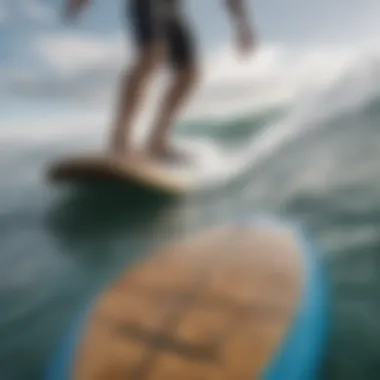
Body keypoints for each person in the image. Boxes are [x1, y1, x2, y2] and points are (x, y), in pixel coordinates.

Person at [65, 0, 256, 160]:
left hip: (173, 9)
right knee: (152, 55)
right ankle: (120, 141)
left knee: (189, 72)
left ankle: (157, 141)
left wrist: (243, 25)